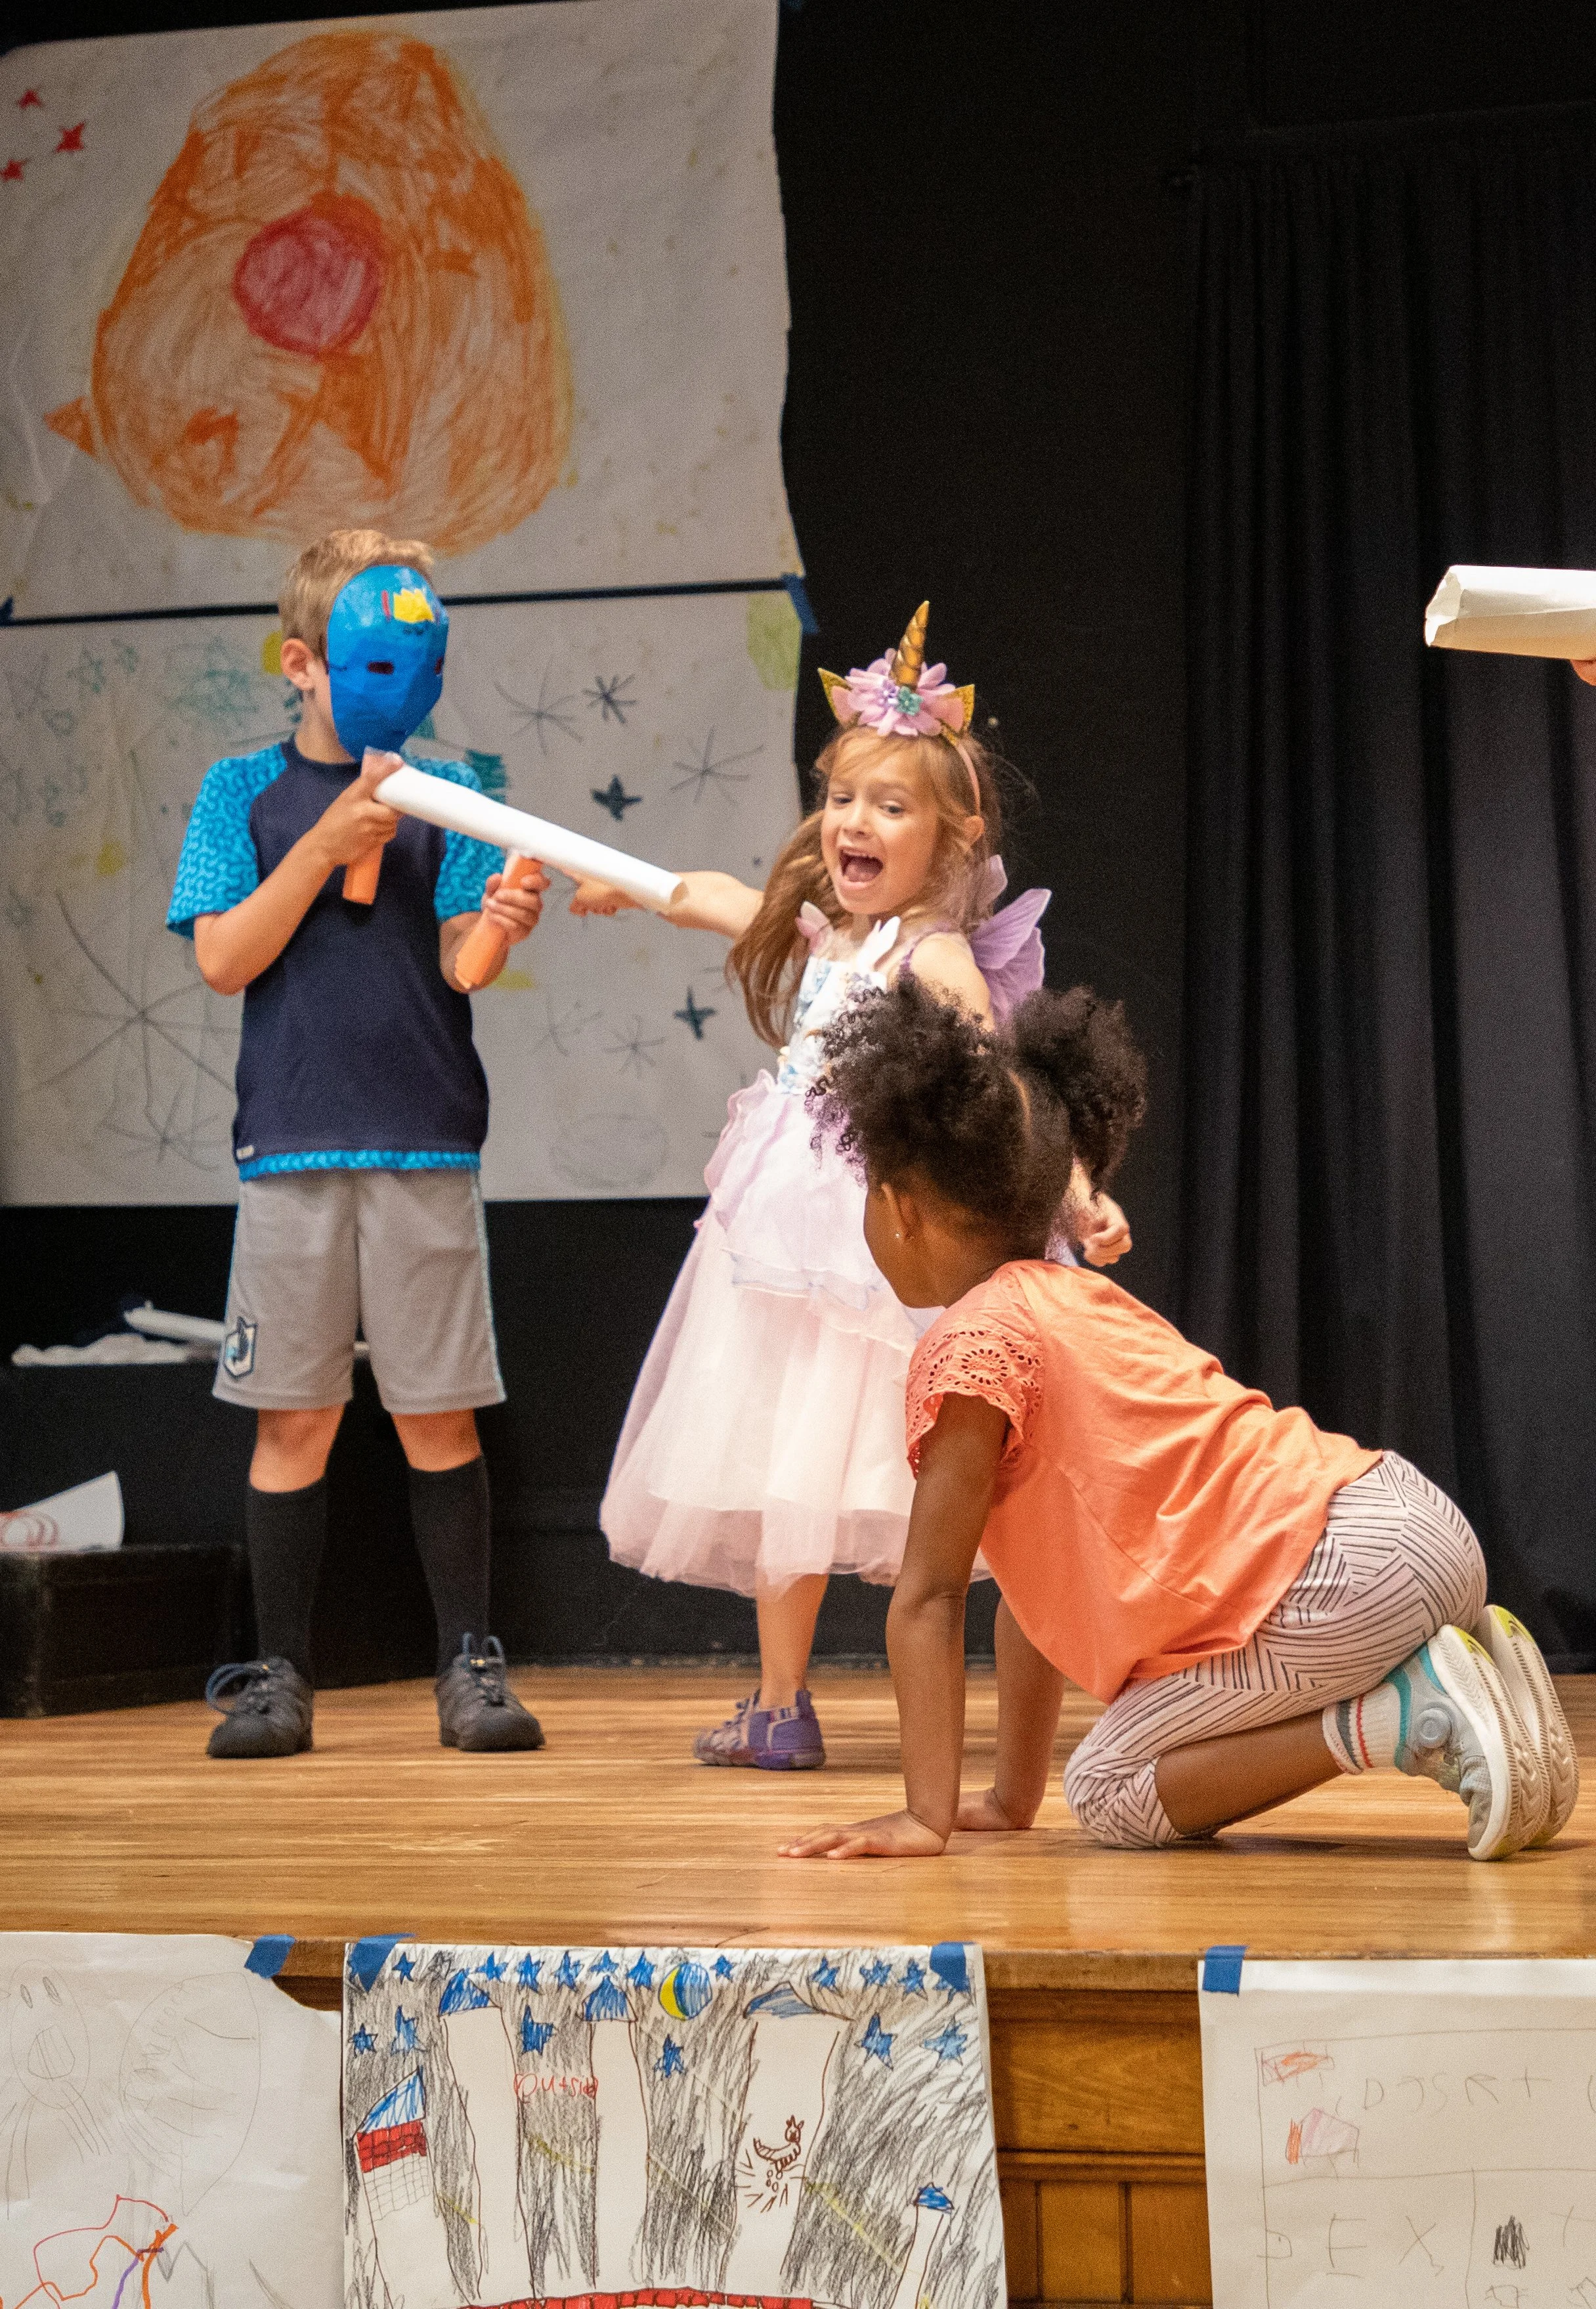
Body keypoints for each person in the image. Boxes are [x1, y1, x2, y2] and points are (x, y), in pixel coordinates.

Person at [781, 975, 1578, 1861]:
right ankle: (1485, 1702)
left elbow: (928, 1599)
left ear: (899, 1207)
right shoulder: (1079, 1301)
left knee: (1111, 1791)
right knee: (1117, 1754)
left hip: (1335, 1584)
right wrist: (1009, 1799)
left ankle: (1407, 1712)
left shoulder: (970, 1349)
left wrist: (921, 1817)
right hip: (1408, 1524)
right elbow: (1026, 1605)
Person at [570, 605, 1132, 1769]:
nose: (853, 825)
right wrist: (629, 887)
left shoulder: (929, 953)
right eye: (840, 799)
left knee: (938, 1457)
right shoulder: (837, 940)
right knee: (781, 1453)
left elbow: (1005, 1077)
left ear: (951, 835)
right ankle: (780, 1702)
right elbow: (717, 896)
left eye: (889, 805)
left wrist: (1072, 1188)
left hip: (885, 1246)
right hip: (784, 1250)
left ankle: (1027, 1693)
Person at [167, 527, 548, 1759]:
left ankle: (468, 1665)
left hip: (425, 1144)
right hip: (288, 1148)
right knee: (295, 1417)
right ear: (304, 662)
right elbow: (224, 957)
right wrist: (324, 846)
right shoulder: (240, 793)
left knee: (440, 1416)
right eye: (366, 654)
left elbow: (463, 964)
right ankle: (279, 1674)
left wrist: (500, 918)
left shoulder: (457, 795)